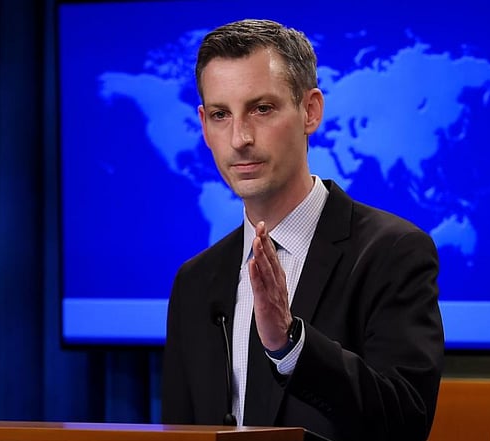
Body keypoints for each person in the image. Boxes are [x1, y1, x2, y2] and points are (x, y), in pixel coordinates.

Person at [161, 18, 444, 441]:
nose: (239, 138)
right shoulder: (195, 282)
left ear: (310, 110)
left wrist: (292, 346)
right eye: (221, 115)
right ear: (204, 124)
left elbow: (405, 421)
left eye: (262, 108)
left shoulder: (393, 252)